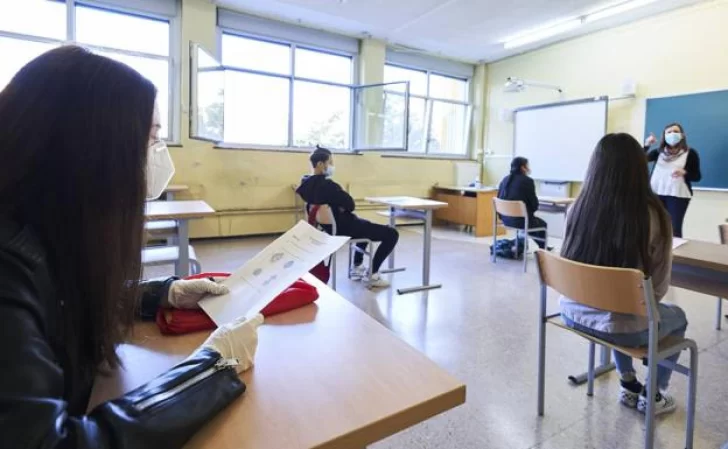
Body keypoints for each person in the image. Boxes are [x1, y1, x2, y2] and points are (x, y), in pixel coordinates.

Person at [0, 46, 263, 449]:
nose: (155, 157)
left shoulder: (33, 229)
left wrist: (162, 293)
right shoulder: (7, 267)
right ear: (91, 151)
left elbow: (56, 304)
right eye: (150, 139)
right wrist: (212, 367)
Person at [560, 133, 686, 415]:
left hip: (572, 313)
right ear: (640, 168)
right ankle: (652, 394)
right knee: (675, 317)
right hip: (622, 325)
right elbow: (658, 291)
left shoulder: (576, 209)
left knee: (621, 307)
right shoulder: (656, 217)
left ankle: (629, 383)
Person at [296, 146, 399, 289]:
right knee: (392, 233)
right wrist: (341, 206)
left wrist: (339, 206)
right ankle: (373, 275)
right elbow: (350, 205)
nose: (332, 166)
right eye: (330, 162)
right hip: (345, 227)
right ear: (320, 164)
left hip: (329, 227)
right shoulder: (328, 186)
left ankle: (357, 267)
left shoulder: (305, 184)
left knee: (364, 226)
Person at [644, 123, 701, 237]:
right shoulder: (658, 152)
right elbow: (639, 159)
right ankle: (655, 254)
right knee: (653, 227)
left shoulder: (690, 153)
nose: (672, 134)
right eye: (669, 132)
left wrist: (685, 172)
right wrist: (647, 145)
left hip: (677, 196)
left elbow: (697, 176)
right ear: (664, 136)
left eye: (675, 131)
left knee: (674, 230)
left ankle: (674, 254)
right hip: (656, 194)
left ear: (682, 135)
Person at [497, 156, 547, 249]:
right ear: (523, 167)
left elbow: (499, 198)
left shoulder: (504, 180)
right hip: (521, 221)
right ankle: (543, 251)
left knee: (528, 222)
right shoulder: (528, 181)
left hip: (505, 220)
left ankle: (523, 245)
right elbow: (534, 205)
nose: (528, 168)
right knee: (541, 224)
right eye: (527, 166)